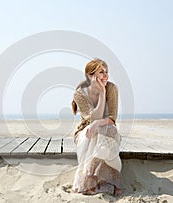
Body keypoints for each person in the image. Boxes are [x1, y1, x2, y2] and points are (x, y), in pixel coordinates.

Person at [71, 58, 122, 196]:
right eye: (101, 72)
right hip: (85, 131)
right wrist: (101, 94)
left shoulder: (112, 88)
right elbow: (93, 118)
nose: (106, 76)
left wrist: (97, 124)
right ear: (90, 76)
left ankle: (97, 172)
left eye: (107, 72)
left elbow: (112, 118)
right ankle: (89, 179)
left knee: (109, 130)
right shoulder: (79, 94)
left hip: (105, 128)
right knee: (94, 134)